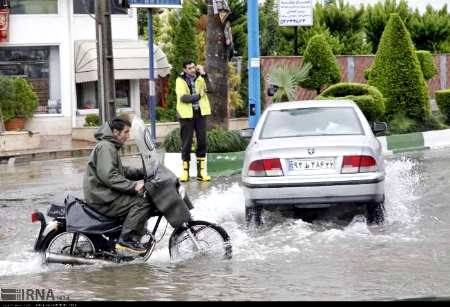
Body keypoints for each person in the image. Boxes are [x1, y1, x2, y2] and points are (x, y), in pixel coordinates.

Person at [82, 116, 151, 255]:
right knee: (142, 201)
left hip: (103, 194)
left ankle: (129, 236)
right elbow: (109, 176)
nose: (128, 135)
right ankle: (126, 241)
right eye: (126, 132)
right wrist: (133, 186)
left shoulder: (109, 146)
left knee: (139, 197)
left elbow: (119, 170)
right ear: (115, 132)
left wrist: (141, 172)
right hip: (102, 197)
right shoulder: (106, 147)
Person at [175, 59, 213, 182]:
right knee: (186, 143)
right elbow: (184, 98)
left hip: (200, 114)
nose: (192, 69)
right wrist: (198, 96)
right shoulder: (180, 80)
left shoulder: (201, 78)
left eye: (193, 67)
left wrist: (204, 74)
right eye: (189, 68)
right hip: (186, 116)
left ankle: (201, 173)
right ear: (184, 69)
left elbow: (211, 89)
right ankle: (185, 172)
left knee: (202, 141)